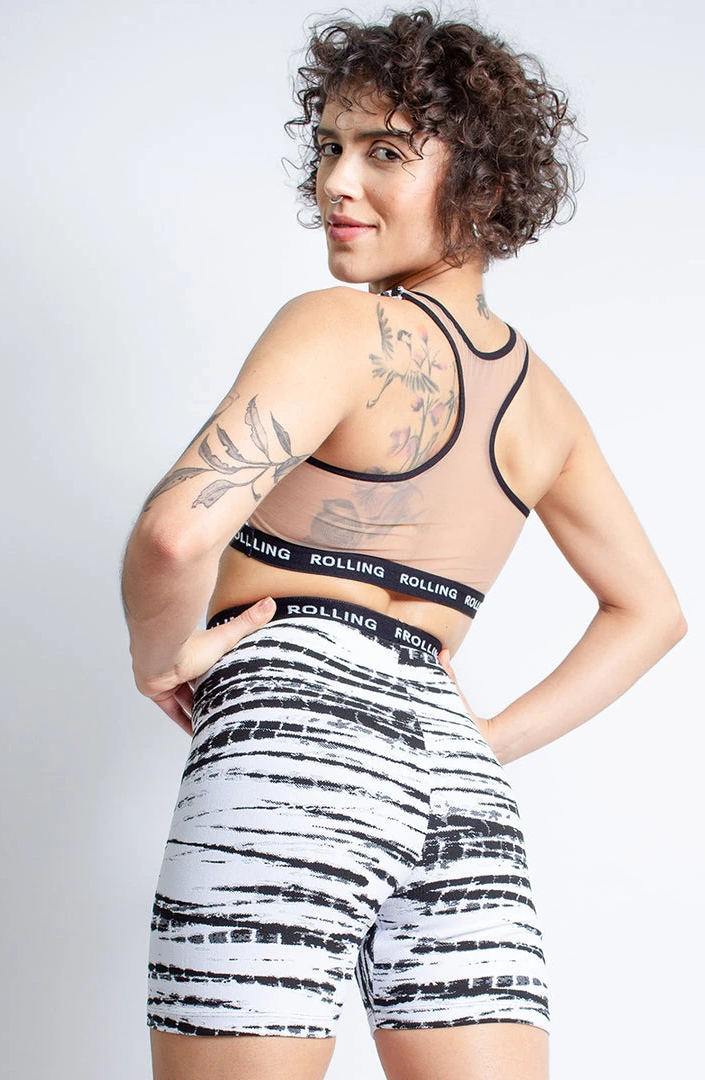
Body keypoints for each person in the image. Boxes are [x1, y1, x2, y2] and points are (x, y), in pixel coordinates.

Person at [120, 9, 687, 1080]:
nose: (337, 182)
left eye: (384, 152)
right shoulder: (547, 406)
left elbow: (172, 535)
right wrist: (483, 743)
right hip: (455, 778)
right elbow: (652, 613)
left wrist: (160, 657)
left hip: (293, 729)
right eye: (330, 146)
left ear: (482, 179)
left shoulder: (338, 327)